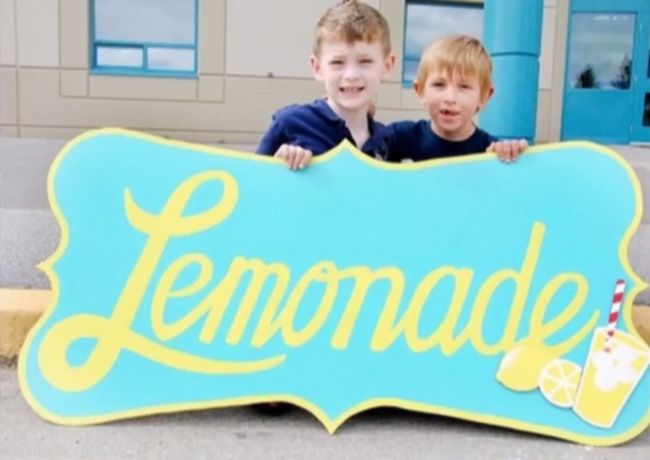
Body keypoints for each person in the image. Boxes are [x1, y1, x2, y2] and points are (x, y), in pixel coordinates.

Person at [256, 0, 395, 170]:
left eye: (365, 61)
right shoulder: (291, 123)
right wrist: (277, 168)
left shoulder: (386, 141)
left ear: (387, 66)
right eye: (337, 62)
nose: (351, 75)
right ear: (317, 67)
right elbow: (251, 184)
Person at [387, 35, 528, 164]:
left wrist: (512, 155)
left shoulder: (492, 153)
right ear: (420, 91)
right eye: (439, 84)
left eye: (464, 87)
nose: (450, 98)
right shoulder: (397, 138)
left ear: (484, 97)